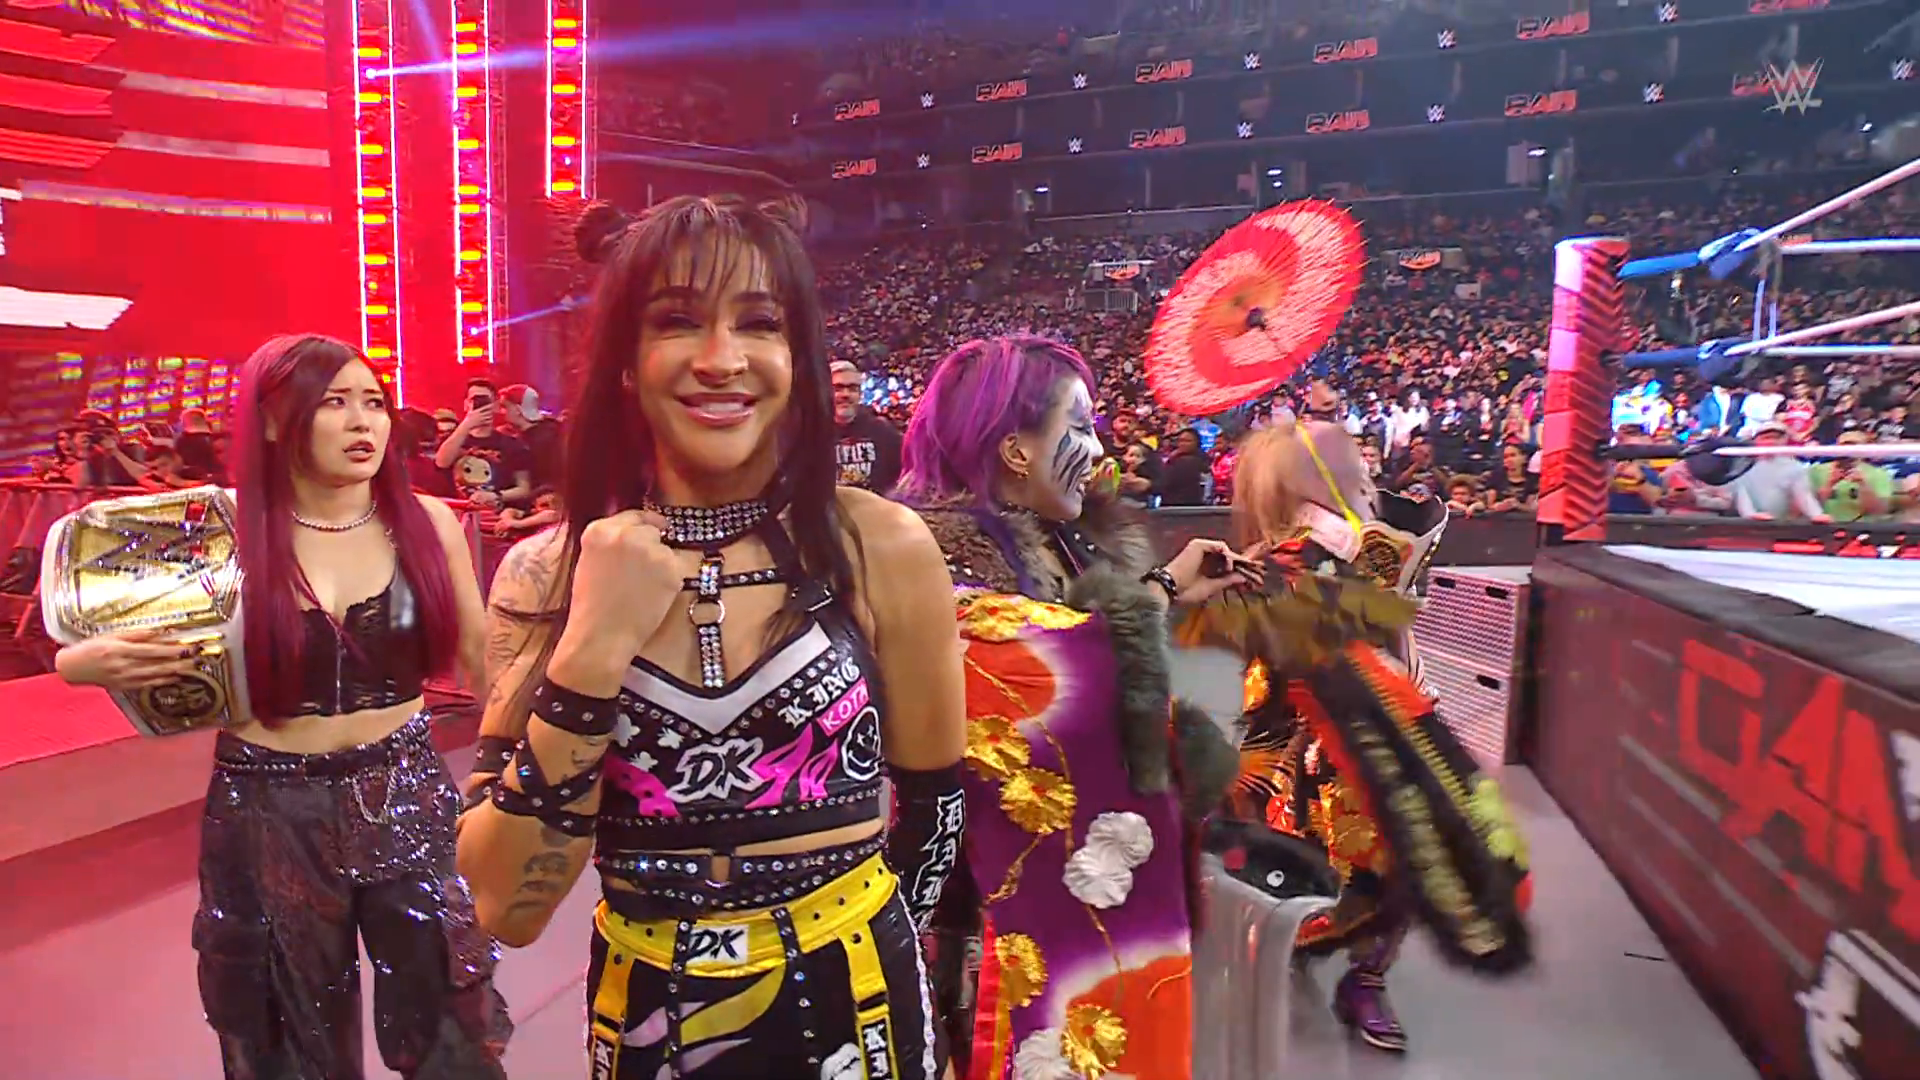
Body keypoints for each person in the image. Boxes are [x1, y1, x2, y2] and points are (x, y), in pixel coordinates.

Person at [456, 193, 967, 1080]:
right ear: (625, 362)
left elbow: (933, 815)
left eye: (759, 324)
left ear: (797, 356)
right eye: (677, 322)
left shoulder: (878, 544)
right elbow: (505, 906)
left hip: (858, 1007)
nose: (722, 360)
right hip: (646, 1021)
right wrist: (592, 647)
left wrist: (890, 983)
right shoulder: (549, 573)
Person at [51, 334, 511, 1078]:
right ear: (271, 420)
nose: (363, 422)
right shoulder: (215, 531)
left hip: (406, 790)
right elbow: (85, 632)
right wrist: (82, 664)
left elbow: (486, 661)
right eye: (335, 403)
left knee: (448, 1016)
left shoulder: (427, 521)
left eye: (374, 403)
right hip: (265, 804)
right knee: (285, 1032)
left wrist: (517, 773)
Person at [893, 335, 1252, 1080]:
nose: (1098, 451)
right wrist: (1159, 596)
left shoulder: (1060, 542)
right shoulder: (927, 558)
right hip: (975, 920)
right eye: (1080, 427)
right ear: (1016, 450)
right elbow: (1049, 670)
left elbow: (1090, 645)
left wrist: (1164, 593)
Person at [1186, 418, 1531, 1054]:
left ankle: (1365, 976)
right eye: (1351, 469)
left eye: (1362, 469)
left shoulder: (1375, 530)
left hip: (1388, 697)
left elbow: (1395, 614)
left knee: (1404, 846)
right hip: (1303, 717)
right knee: (1288, 844)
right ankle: (1282, 943)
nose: (1366, 476)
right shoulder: (1280, 553)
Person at [435, 377, 535, 511]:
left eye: (486, 400)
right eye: (474, 400)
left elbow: (524, 488)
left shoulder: (512, 444)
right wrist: (467, 425)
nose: (480, 404)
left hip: (495, 515)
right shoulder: (453, 439)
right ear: (466, 404)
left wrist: (497, 496)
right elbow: (441, 463)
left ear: (495, 405)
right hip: (460, 514)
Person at [830, 359, 903, 492]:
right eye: (838, 388)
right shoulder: (810, 434)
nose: (845, 394)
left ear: (860, 394)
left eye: (852, 389)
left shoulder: (883, 431)